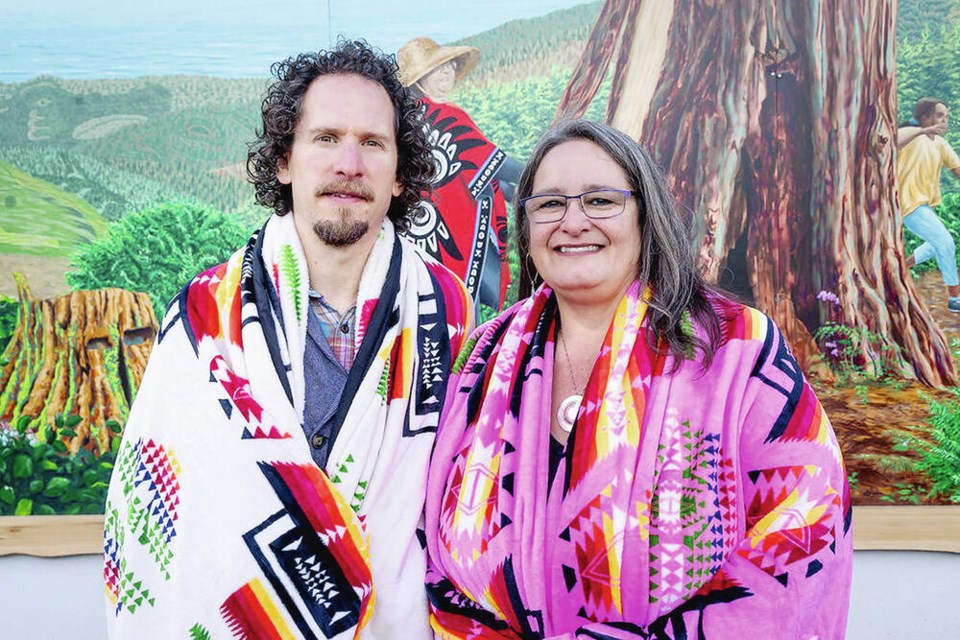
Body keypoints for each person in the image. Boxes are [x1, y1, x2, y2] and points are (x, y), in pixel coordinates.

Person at [425, 120, 853, 638]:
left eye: (601, 201)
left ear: (646, 216)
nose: (573, 221)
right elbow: (432, 547)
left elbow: (806, 524)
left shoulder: (737, 346)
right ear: (528, 228)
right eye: (549, 204)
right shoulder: (483, 357)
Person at [102, 41, 472, 639]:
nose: (349, 163)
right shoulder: (204, 314)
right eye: (325, 138)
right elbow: (151, 506)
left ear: (400, 175)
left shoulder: (446, 311)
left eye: (373, 143)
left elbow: (467, 498)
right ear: (284, 161)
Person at [397, 36, 523, 313]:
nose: (447, 72)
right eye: (437, 67)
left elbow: (474, 169)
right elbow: (494, 162)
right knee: (462, 310)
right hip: (452, 235)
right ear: (420, 78)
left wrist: (517, 192)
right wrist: (537, 175)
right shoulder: (446, 116)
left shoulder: (406, 118)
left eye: (450, 65)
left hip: (419, 234)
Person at [897, 96, 960, 312]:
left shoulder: (941, 144)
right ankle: (954, 299)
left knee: (938, 243)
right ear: (924, 117)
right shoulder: (911, 136)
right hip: (907, 203)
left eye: (946, 117)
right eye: (939, 116)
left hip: (923, 206)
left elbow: (957, 168)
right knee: (945, 243)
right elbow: (893, 140)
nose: (944, 121)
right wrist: (923, 130)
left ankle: (903, 265)